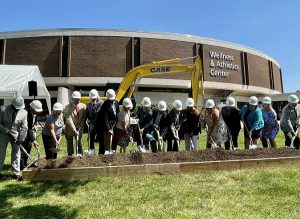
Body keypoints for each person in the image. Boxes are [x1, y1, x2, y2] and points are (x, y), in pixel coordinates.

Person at [0, 96, 28, 180]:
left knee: (16, 153)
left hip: (16, 135)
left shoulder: (24, 113)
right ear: (12, 105)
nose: (17, 110)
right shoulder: (2, 109)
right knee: (1, 153)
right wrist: (5, 130)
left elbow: (24, 127)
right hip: (3, 134)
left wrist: (21, 138)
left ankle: (15, 173)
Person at [94, 89, 119, 155]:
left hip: (114, 124)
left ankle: (112, 152)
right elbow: (105, 118)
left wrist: (116, 121)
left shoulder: (116, 102)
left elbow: (117, 112)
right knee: (104, 143)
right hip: (104, 126)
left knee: (113, 141)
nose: (112, 100)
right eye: (110, 99)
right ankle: (102, 155)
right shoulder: (104, 105)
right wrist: (108, 129)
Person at [20, 100, 43, 169]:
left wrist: (35, 125)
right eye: (37, 110)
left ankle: (24, 163)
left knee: (28, 147)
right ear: (32, 108)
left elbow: (34, 121)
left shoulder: (35, 114)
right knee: (22, 150)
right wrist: (34, 141)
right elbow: (27, 129)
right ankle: (21, 165)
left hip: (29, 134)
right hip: (22, 134)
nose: (38, 112)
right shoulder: (26, 115)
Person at [63, 91, 87, 156]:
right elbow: (69, 120)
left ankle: (80, 155)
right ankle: (70, 156)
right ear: (72, 99)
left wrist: (80, 125)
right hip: (69, 129)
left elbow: (84, 118)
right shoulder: (67, 108)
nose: (78, 101)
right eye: (76, 100)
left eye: (79, 99)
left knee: (79, 142)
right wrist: (74, 129)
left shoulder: (83, 106)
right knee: (70, 144)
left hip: (79, 128)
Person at [86, 89, 103, 156]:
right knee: (91, 138)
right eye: (92, 98)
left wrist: (93, 124)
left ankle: (101, 153)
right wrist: (87, 118)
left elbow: (98, 115)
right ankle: (92, 152)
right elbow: (88, 114)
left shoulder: (101, 103)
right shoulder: (89, 104)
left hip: (99, 125)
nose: (93, 100)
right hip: (91, 124)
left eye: (94, 98)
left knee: (101, 139)